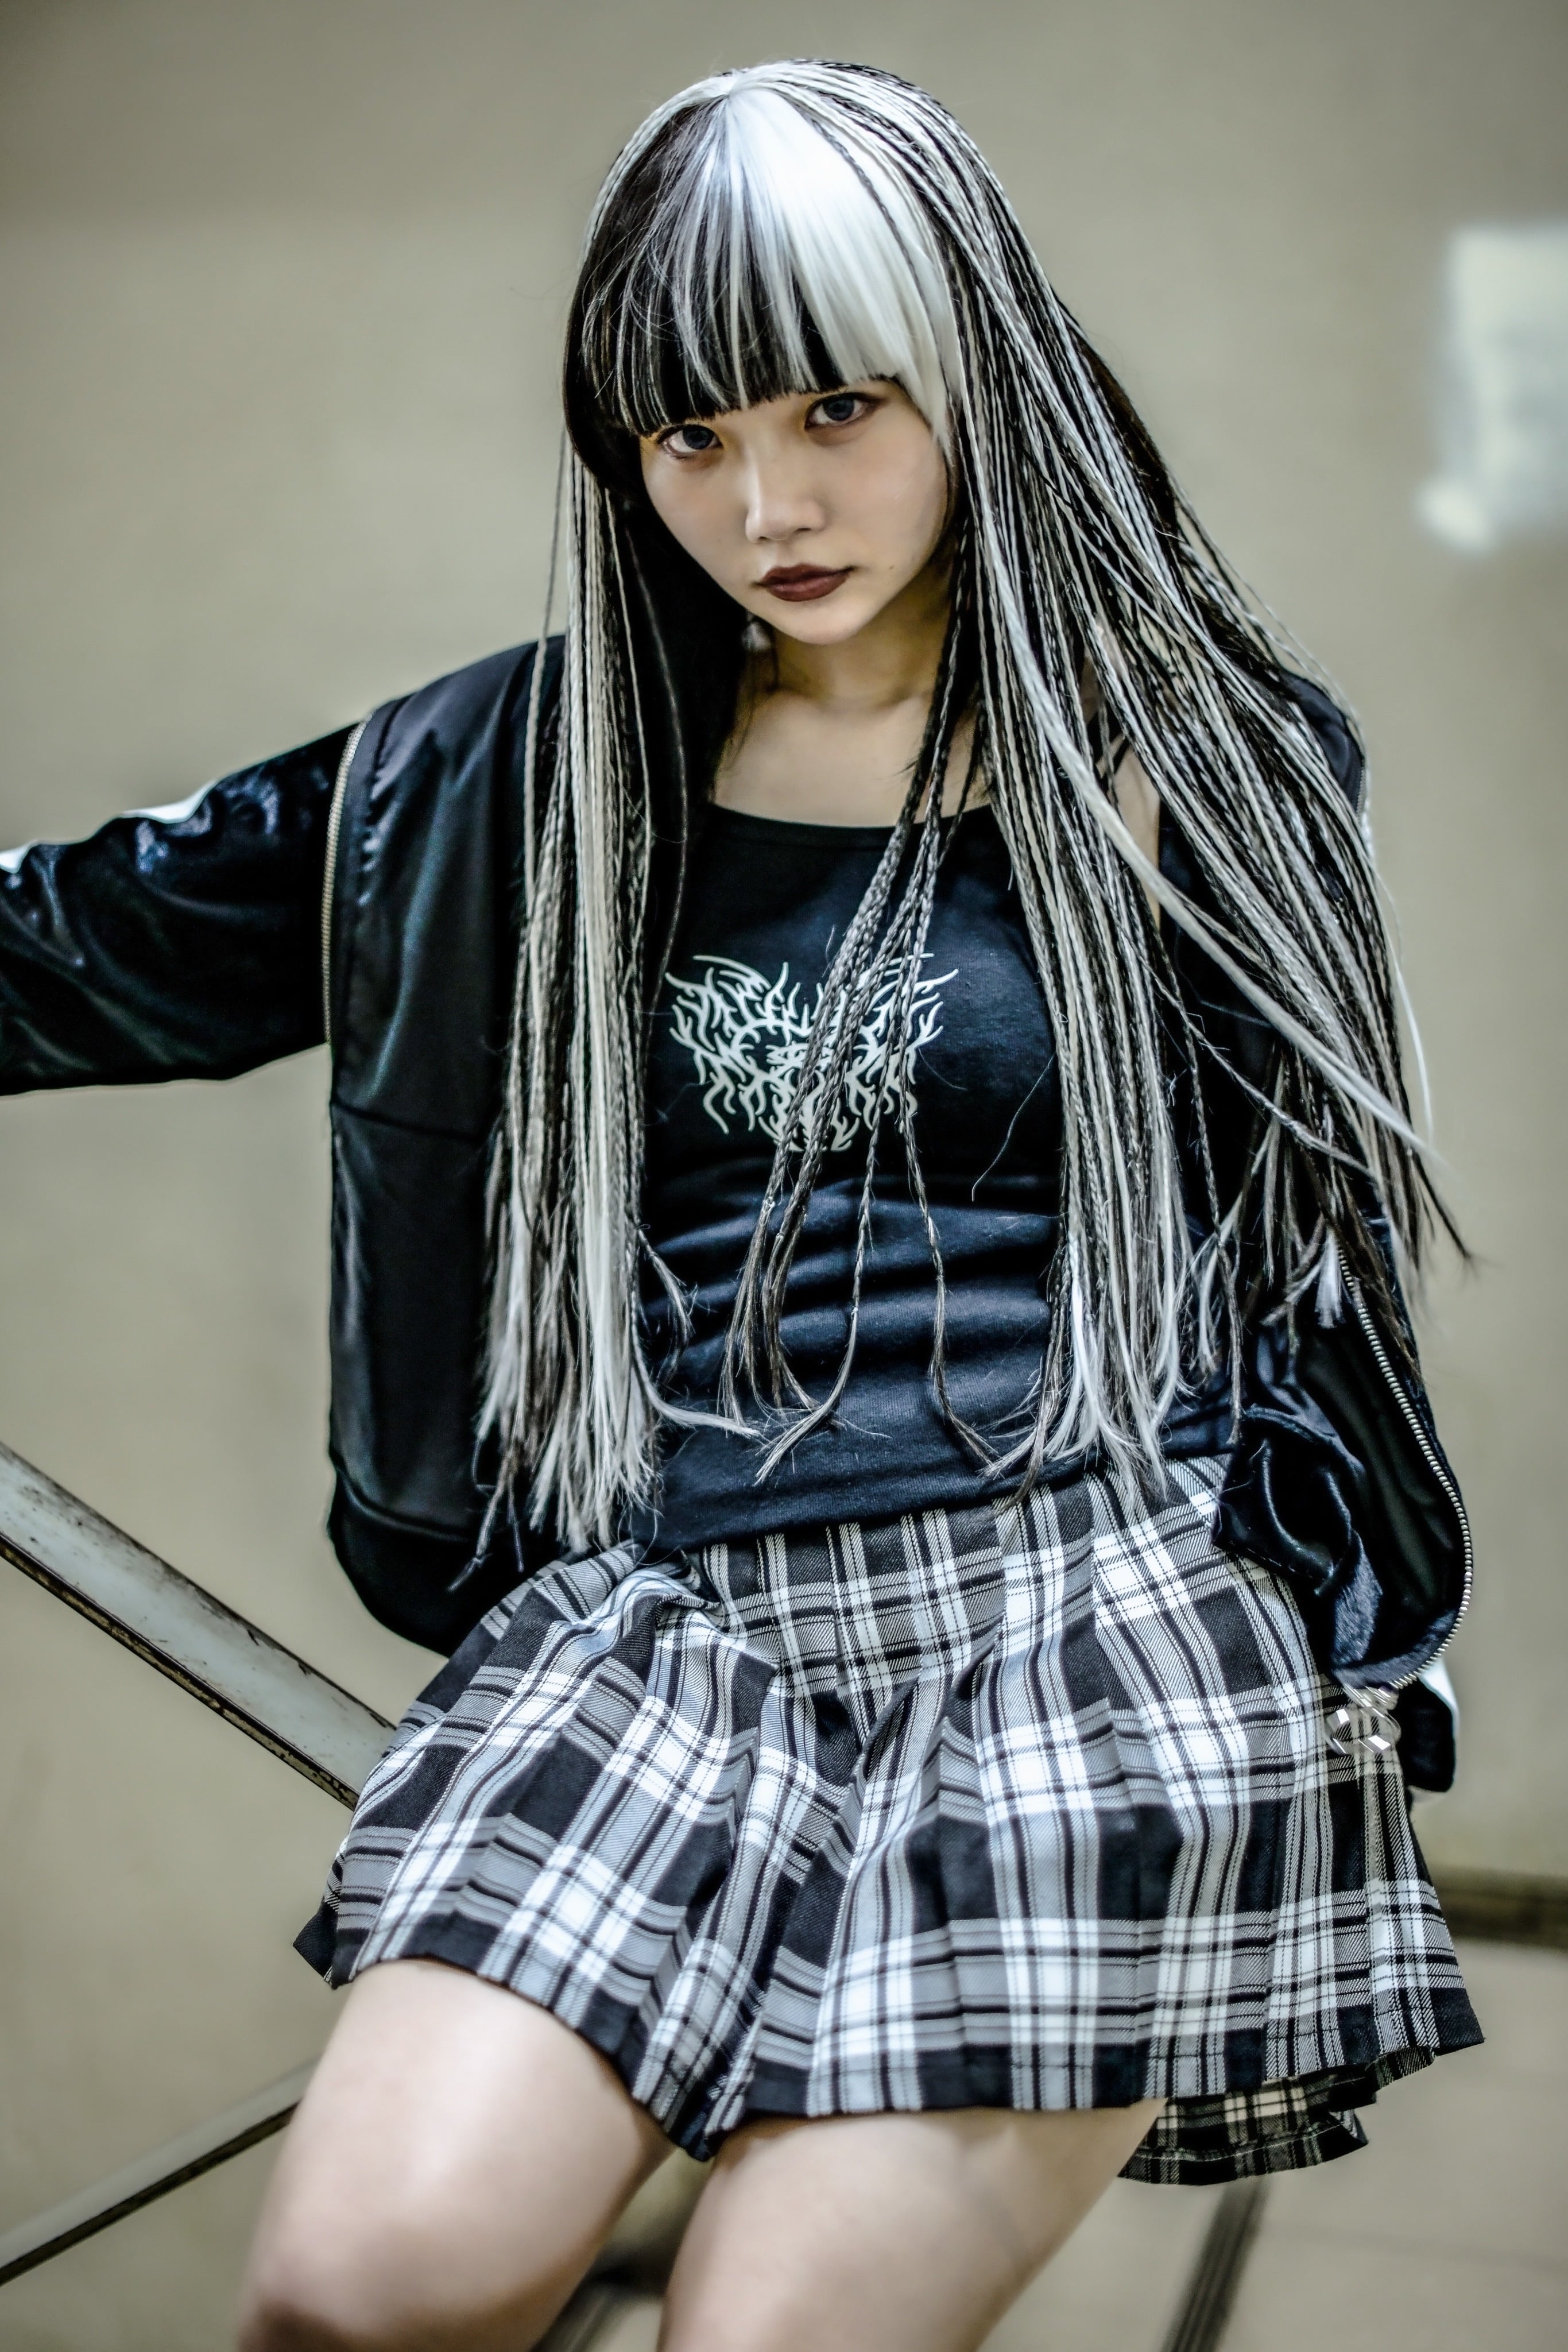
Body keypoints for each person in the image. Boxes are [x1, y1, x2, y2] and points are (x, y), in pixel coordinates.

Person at [0, 59, 1479, 2352]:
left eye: (835, 408)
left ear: (974, 374)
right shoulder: (503, 779)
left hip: (1088, 1618)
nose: (768, 502)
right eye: (687, 435)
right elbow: (74, 948)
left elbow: (1314, 1259)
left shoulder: (1196, 762)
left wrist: (1359, 1631)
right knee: (348, 2298)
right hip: (668, 1621)